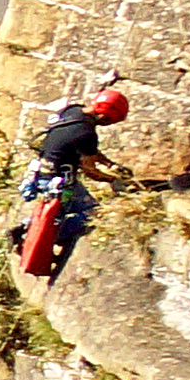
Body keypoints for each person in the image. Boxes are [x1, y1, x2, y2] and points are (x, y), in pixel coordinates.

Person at [18, 72, 130, 282]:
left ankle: (27, 226)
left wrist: (110, 163)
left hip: (41, 173)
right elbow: (90, 169)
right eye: (111, 121)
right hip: (60, 180)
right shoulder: (87, 132)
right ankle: (47, 234)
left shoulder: (73, 111)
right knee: (93, 213)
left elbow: (86, 150)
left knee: (57, 211)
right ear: (105, 117)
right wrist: (112, 180)